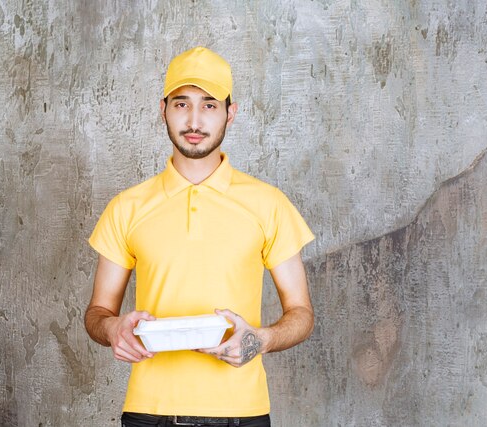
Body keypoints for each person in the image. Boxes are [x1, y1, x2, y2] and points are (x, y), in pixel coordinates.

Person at [85, 46, 315, 427]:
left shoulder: (269, 204)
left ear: (231, 112)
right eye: (181, 104)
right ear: (163, 110)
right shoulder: (126, 207)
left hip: (242, 413)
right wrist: (112, 329)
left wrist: (261, 339)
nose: (194, 120)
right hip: (150, 413)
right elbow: (98, 312)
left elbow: (302, 313)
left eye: (209, 105)